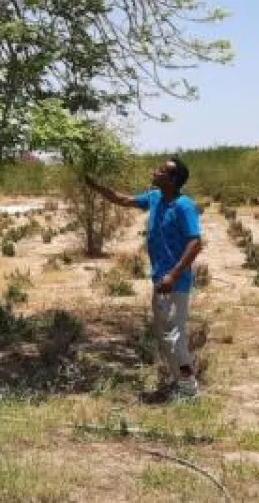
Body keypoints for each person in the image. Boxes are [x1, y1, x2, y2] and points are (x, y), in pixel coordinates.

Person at [83, 157, 203, 401]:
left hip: (175, 283)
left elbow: (195, 242)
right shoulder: (155, 197)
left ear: (173, 180)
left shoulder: (184, 206)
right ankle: (178, 384)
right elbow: (123, 199)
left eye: (162, 170)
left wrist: (173, 274)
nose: (156, 171)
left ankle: (189, 388)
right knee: (163, 336)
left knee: (174, 337)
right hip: (160, 281)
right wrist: (96, 187)